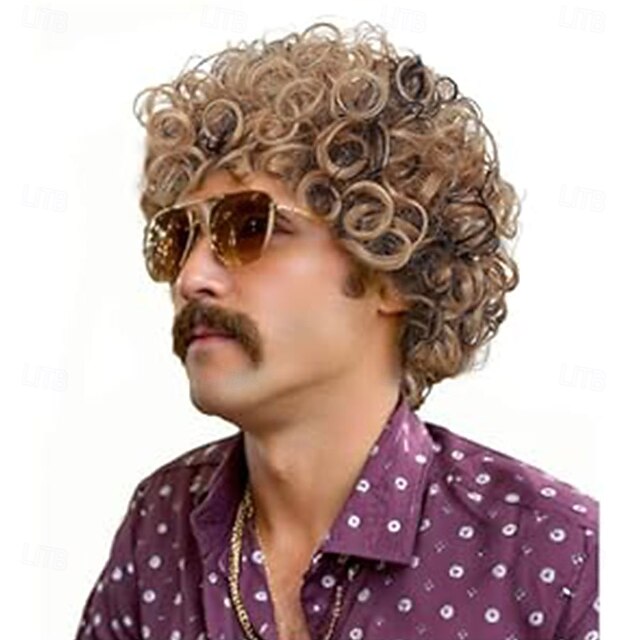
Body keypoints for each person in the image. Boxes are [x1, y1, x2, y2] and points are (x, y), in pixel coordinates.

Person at [73, 21, 599, 640]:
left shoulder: (556, 559)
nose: (191, 278)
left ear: (392, 273)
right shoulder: (161, 529)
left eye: (252, 228)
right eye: (178, 239)